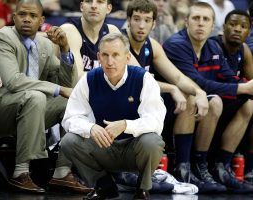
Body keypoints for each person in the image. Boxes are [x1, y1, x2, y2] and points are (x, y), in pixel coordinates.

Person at [0, 0, 91, 194]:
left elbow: (67, 84)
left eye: (33, 16)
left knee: (72, 102)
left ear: (41, 20)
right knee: (36, 97)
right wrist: (58, 89)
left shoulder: (44, 45)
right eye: (22, 14)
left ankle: (62, 171)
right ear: (14, 17)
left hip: (30, 110)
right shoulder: (1, 38)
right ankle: (20, 173)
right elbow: (14, 82)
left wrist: (65, 49)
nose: (27, 19)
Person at [124, 0, 229, 193]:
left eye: (147, 20)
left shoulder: (152, 45)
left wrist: (199, 92)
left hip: (143, 107)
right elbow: (141, 78)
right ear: (128, 20)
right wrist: (172, 89)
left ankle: (184, 169)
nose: (141, 25)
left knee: (191, 97)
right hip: (117, 106)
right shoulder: (120, 41)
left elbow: (178, 77)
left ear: (154, 24)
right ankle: (127, 171)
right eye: (137, 19)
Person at [60, 32, 165, 200]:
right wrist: (91, 127)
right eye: (105, 55)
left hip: (134, 148)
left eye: (116, 55)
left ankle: (143, 189)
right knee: (69, 141)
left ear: (127, 57)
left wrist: (125, 125)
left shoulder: (143, 78)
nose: (110, 61)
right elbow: (70, 118)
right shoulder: (89, 79)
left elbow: (156, 121)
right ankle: (103, 186)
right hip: (104, 147)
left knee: (152, 141)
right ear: (98, 57)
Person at [163, 1, 253, 193]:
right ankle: (184, 167)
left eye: (206, 19)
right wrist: (243, 88)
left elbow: (229, 78)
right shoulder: (176, 45)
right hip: (170, 108)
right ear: (186, 22)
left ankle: (219, 167)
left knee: (249, 105)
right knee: (204, 99)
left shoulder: (213, 48)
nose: (201, 23)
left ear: (213, 25)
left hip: (199, 107)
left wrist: (247, 88)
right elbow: (197, 83)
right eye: (196, 18)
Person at [211, 10, 253, 184]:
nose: (237, 29)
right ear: (223, 27)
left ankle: (234, 166)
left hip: (231, 100)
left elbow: (251, 82)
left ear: (248, 32)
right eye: (233, 24)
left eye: (243, 26)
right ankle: (218, 165)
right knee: (248, 105)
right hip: (212, 99)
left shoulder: (244, 50)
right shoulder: (213, 45)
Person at [60, 0, 138, 80]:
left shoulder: (111, 31)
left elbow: (137, 70)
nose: (94, 6)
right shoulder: (70, 30)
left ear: (108, 8)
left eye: (100, 2)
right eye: (89, 1)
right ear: (82, 6)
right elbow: (77, 78)